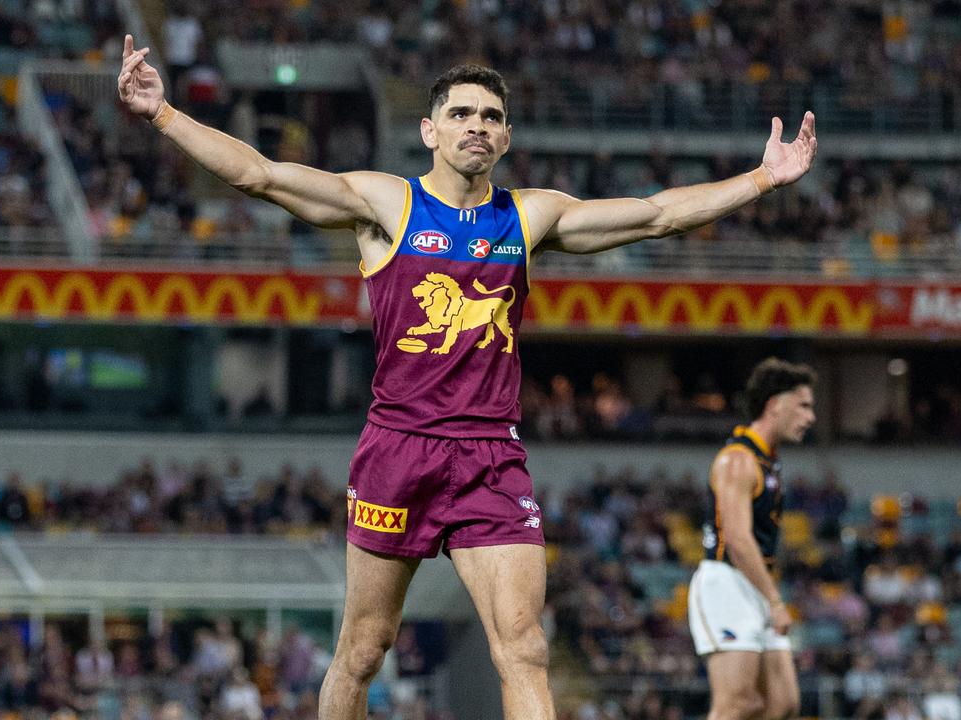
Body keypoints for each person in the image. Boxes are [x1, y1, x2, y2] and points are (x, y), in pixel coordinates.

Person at [118, 35, 817, 719]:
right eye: (460, 114)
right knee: (364, 649)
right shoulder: (386, 205)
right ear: (429, 129)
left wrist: (760, 179)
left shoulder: (530, 215)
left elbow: (658, 213)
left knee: (525, 649)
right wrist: (164, 115)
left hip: (491, 459)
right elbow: (259, 174)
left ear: (507, 138)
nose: (475, 126)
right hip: (399, 448)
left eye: (490, 117)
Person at [689, 358, 816, 720]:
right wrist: (775, 601)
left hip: (753, 586)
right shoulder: (737, 459)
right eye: (803, 405)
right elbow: (739, 540)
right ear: (775, 404)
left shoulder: (766, 461)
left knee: (782, 704)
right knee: (737, 705)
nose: (811, 417)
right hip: (726, 582)